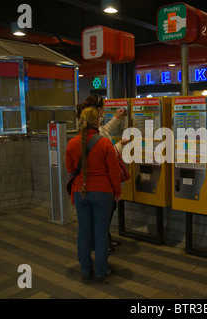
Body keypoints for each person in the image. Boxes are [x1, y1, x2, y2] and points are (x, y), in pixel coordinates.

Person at [65, 107, 122, 282]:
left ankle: (85, 269)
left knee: (84, 232)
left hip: (81, 192)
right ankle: (101, 271)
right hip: (102, 193)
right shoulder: (105, 144)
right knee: (101, 232)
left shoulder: (72, 143)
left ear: (81, 122)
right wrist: (117, 192)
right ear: (98, 121)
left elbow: (69, 169)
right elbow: (114, 172)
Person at [77, 94, 129, 251]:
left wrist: (116, 118)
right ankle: (101, 249)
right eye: (104, 107)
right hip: (102, 188)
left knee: (88, 227)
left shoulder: (79, 137)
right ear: (98, 111)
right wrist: (119, 145)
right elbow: (109, 156)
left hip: (82, 189)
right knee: (101, 222)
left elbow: (70, 166)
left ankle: (93, 253)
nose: (105, 110)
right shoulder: (101, 138)